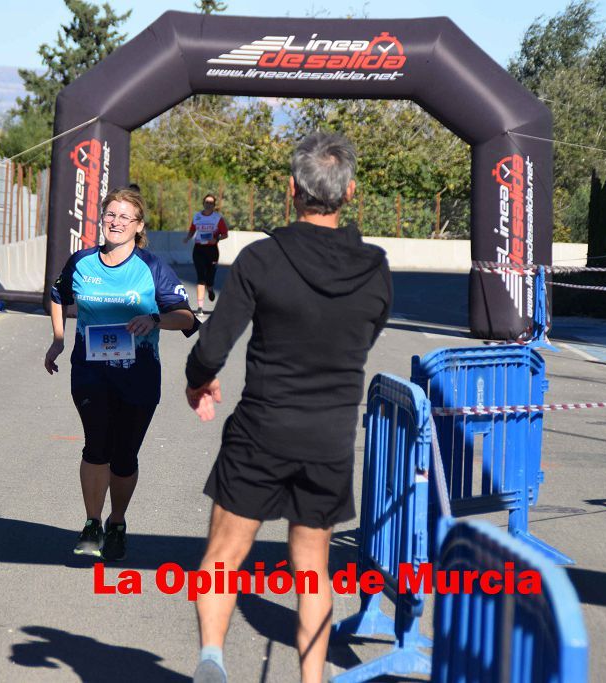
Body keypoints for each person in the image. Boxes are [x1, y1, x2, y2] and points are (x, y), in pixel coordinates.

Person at [184, 133, 392, 683]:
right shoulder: (375, 268)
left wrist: (197, 380)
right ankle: (311, 679)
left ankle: (212, 658)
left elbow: (213, 344)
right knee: (312, 570)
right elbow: (364, 337)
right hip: (328, 437)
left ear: (290, 190)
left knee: (225, 553)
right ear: (349, 191)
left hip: (261, 430)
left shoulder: (262, 259)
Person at [45, 187, 198, 561]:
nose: (115, 222)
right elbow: (56, 294)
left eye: (124, 217)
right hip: (90, 370)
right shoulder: (81, 262)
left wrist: (155, 319)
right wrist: (59, 339)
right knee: (96, 446)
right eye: (110, 215)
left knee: (125, 455)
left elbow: (188, 318)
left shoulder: (152, 268)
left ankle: (117, 521)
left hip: (139, 375)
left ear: (138, 226)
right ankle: (92, 523)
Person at [183, 194, 229, 316]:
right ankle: (200, 307)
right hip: (199, 249)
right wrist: (188, 237)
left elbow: (225, 234)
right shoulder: (197, 216)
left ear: (214, 206)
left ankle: (210, 288)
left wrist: (217, 239)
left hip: (212, 250)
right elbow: (193, 229)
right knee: (200, 278)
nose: (208, 204)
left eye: (211, 203)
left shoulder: (217, 218)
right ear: (203, 203)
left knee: (209, 278)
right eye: (207, 202)